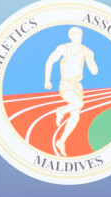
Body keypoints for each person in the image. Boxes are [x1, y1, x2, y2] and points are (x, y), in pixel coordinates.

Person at [44, 27, 97, 157]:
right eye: (75, 35)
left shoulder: (86, 51)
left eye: (80, 36)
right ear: (70, 36)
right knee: (79, 104)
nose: (78, 38)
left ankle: (61, 142)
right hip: (66, 83)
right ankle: (61, 111)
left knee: (75, 117)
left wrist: (91, 57)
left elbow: (94, 72)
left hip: (77, 86)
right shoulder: (63, 48)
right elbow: (49, 62)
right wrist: (47, 81)